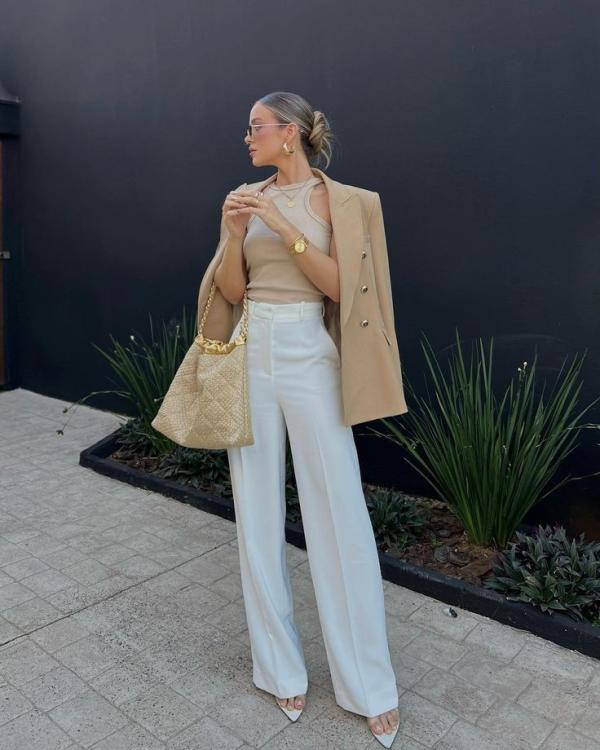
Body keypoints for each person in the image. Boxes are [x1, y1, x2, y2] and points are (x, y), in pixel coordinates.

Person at [211, 91, 403, 747]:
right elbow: (232, 291)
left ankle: (368, 684)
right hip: (253, 347)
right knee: (255, 512)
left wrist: (282, 224)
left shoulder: (344, 202)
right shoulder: (243, 197)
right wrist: (233, 234)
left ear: (289, 132)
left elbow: (343, 289)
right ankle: (278, 668)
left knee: (338, 512)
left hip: (309, 351)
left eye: (256, 127)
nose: (248, 137)